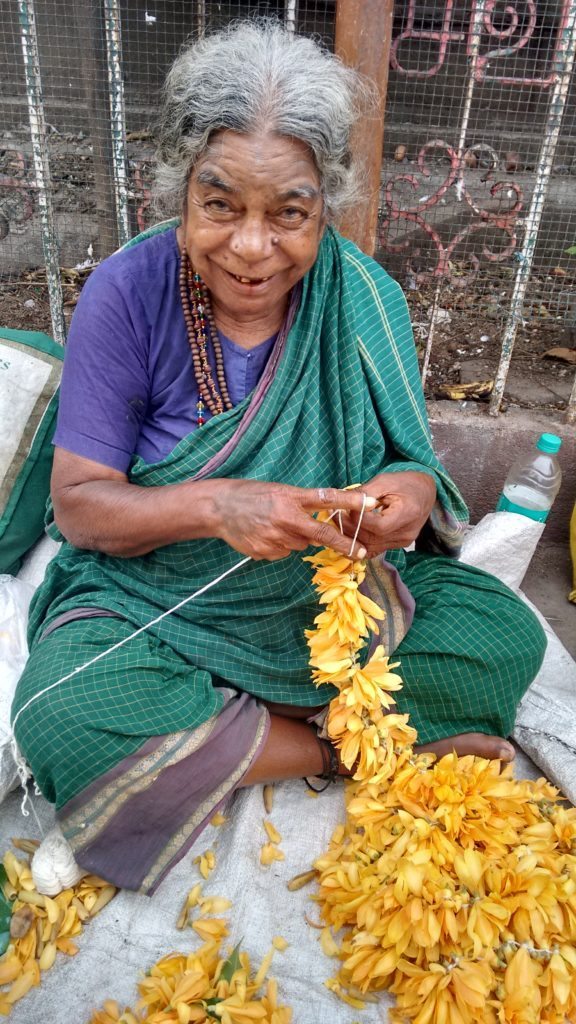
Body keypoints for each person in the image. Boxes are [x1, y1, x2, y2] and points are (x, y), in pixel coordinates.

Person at [12, 20, 546, 895]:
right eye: (220, 205)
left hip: (322, 612)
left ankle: (220, 742)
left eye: (288, 214)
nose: (252, 248)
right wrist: (218, 507)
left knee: (502, 633)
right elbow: (80, 508)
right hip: (154, 605)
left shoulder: (363, 295)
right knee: (61, 714)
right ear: (179, 188)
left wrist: (404, 497)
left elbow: (414, 466)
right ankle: (342, 749)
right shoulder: (128, 292)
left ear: (324, 203)